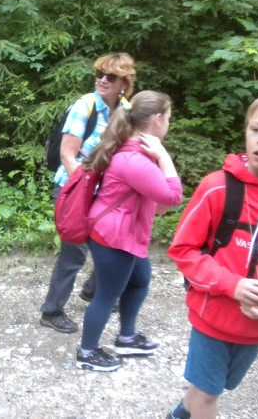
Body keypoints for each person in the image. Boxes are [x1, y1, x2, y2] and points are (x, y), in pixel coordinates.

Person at [167, 92, 258, 419]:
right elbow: (183, 249)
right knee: (209, 395)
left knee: (211, 387)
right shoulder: (218, 187)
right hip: (212, 318)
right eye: (256, 129)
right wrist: (232, 284)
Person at [75, 90, 182, 371]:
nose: (168, 124)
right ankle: (87, 352)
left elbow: (158, 202)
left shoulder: (137, 153)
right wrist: (164, 156)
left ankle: (127, 337)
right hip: (113, 237)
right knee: (107, 295)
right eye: (168, 119)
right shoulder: (134, 159)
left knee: (140, 279)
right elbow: (173, 197)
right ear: (157, 120)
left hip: (125, 234)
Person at [40, 52, 136, 333]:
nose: (102, 80)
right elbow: (67, 155)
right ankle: (51, 311)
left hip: (103, 191)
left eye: (111, 77)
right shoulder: (85, 106)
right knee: (75, 252)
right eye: (99, 74)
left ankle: (92, 290)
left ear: (124, 83)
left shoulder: (126, 110)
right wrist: (84, 190)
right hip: (74, 188)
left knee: (112, 241)